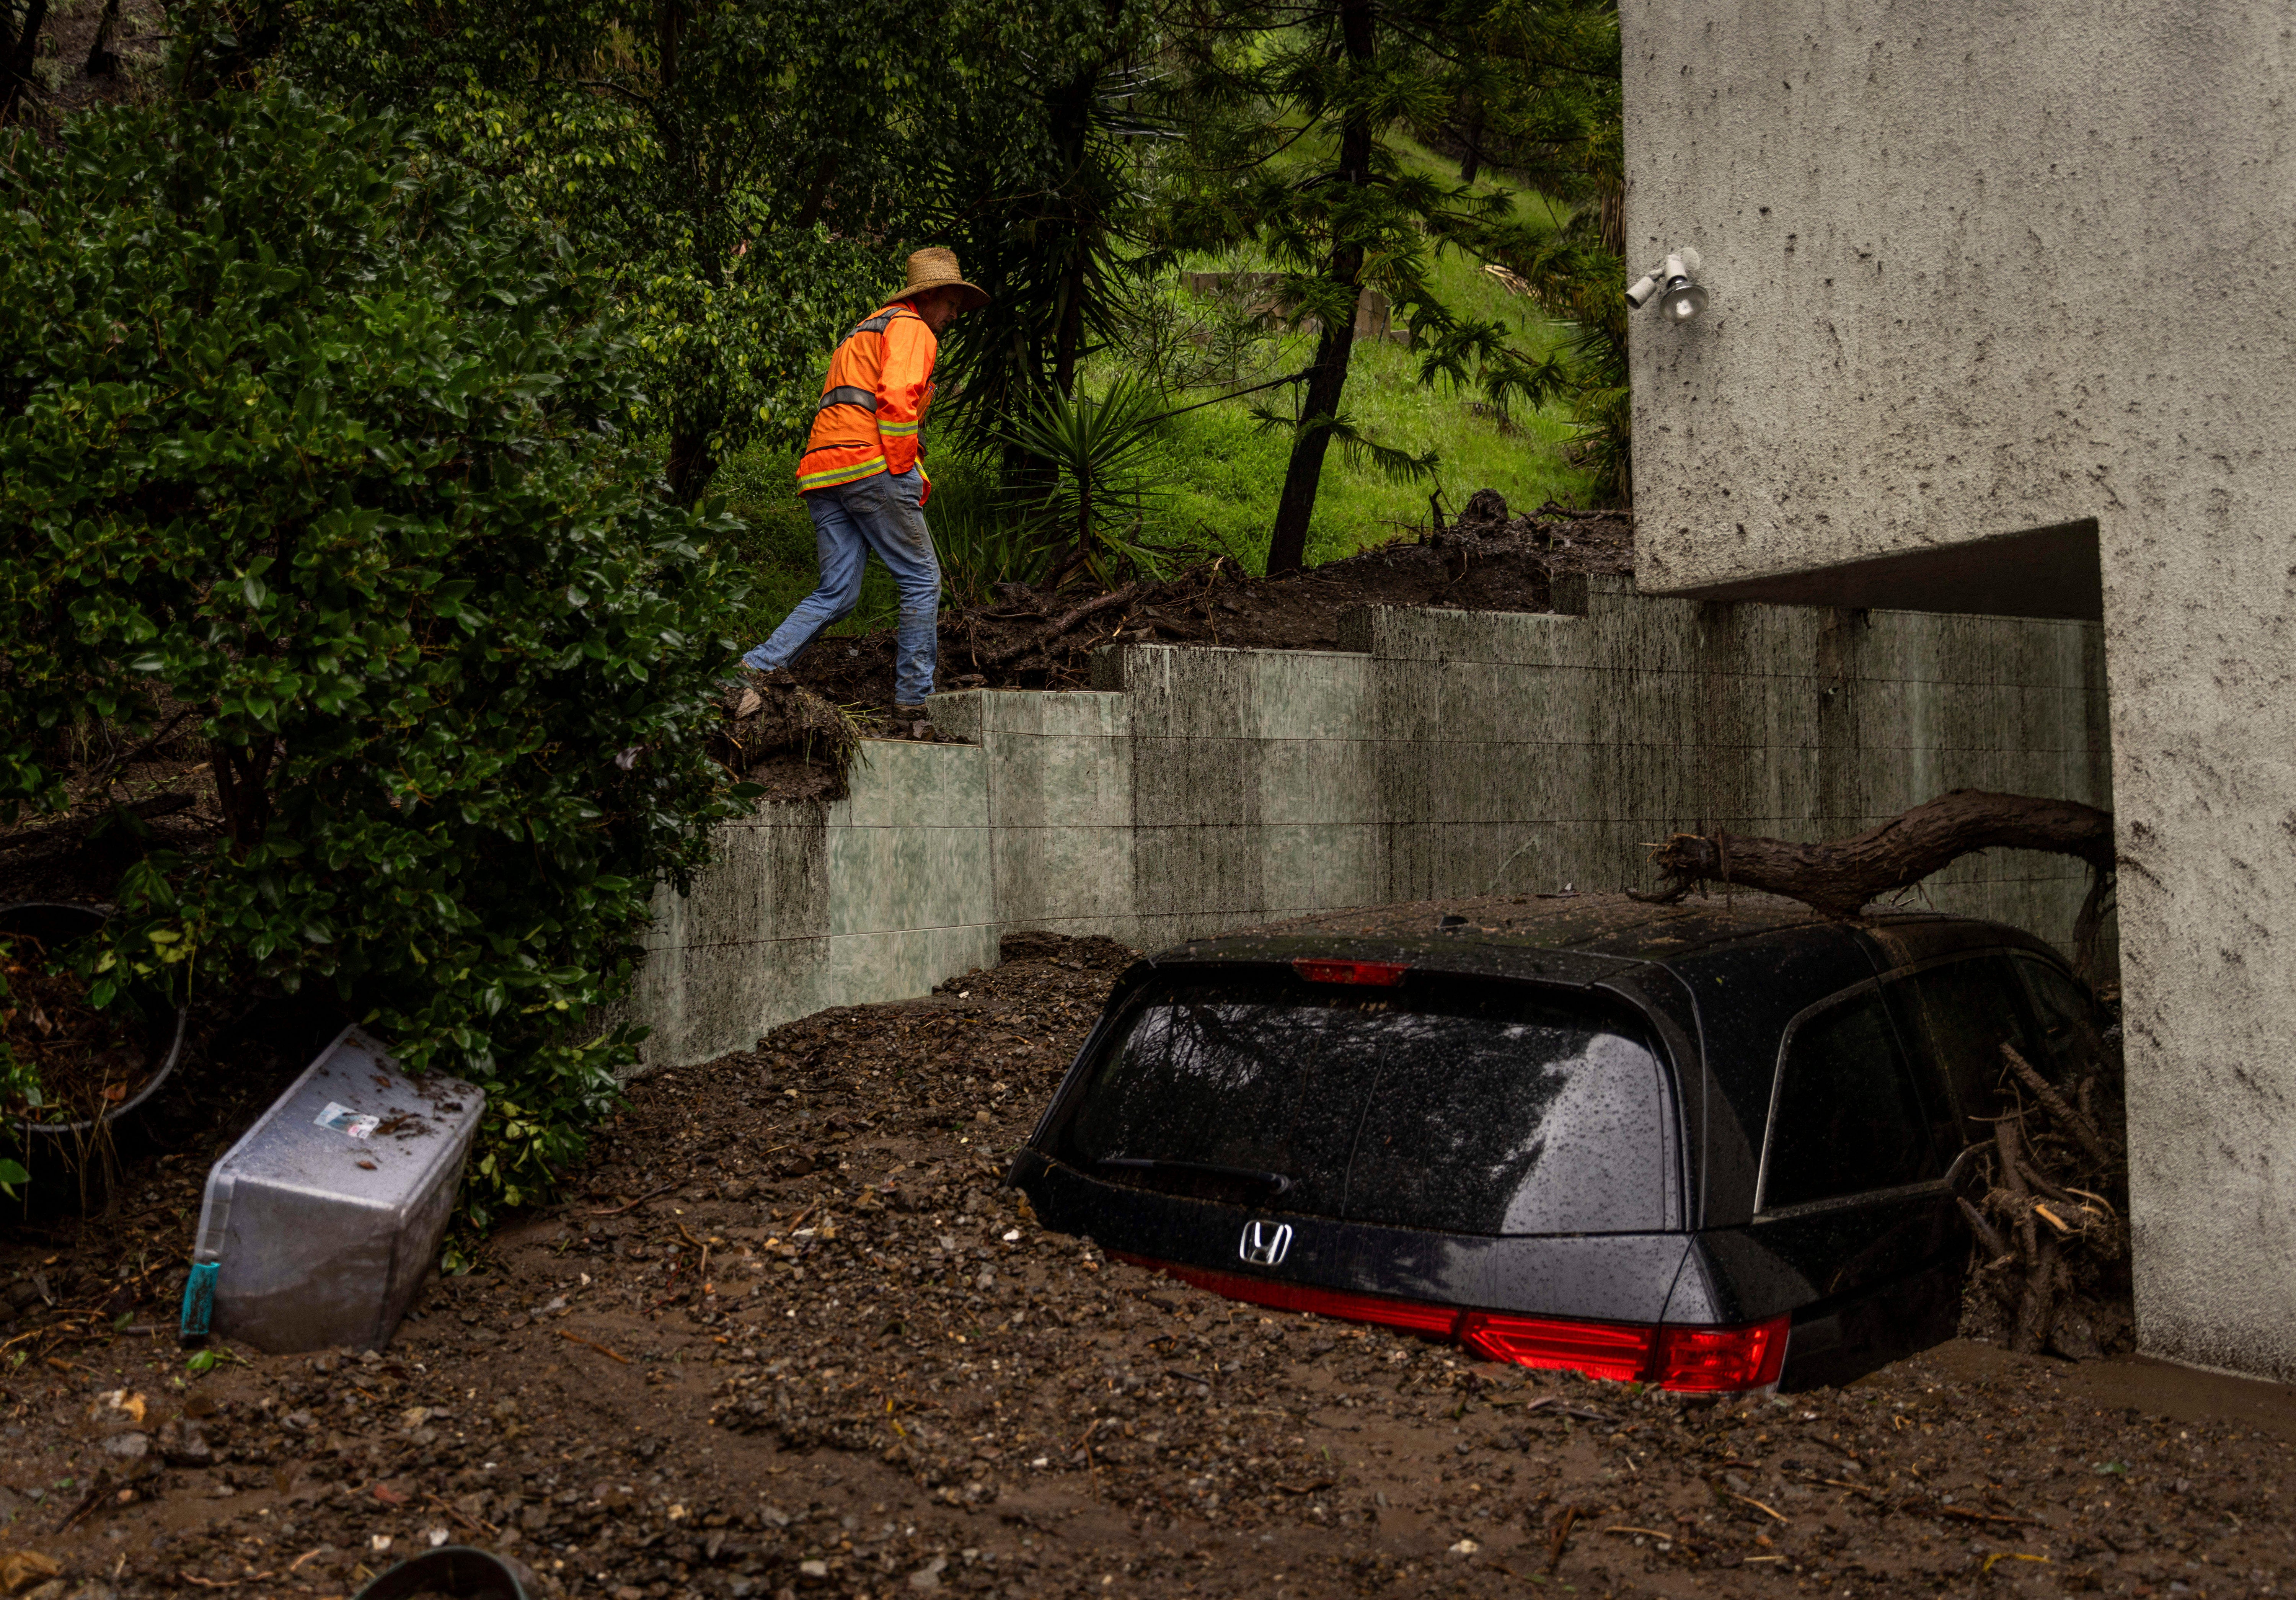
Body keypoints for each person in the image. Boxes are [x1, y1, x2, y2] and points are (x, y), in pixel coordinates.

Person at [740, 248, 988, 720]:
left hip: (822, 470)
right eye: (953, 303)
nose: (955, 315)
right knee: (921, 580)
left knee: (837, 593)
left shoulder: (864, 330)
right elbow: (896, 399)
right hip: (870, 465)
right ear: (930, 294)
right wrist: (903, 469)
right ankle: (914, 702)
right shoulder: (913, 327)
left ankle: (754, 667)